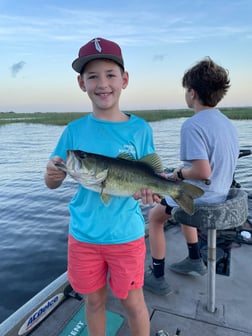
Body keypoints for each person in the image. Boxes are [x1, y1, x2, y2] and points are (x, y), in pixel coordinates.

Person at [44, 37, 151, 335]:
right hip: (84, 236)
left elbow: (149, 175)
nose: (102, 83)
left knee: (133, 303)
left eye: (110, 75)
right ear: (82, 83)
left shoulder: (140, 129)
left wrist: (151, 191)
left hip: (126, 236)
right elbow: (53, 175)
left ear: (124, 79)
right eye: (93, 76)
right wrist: (51, 176)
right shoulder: (74, 131)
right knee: (92, 302)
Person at [143, 57, 239, 295]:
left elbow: (202, 172)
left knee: (155, 218)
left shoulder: (193, 125)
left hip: (203, 196)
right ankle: (195, 259)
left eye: (186, 89)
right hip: (220, 194)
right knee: (180, 200)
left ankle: (156, 276)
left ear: (193, 93)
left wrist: (177, 173)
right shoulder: (227, 123)